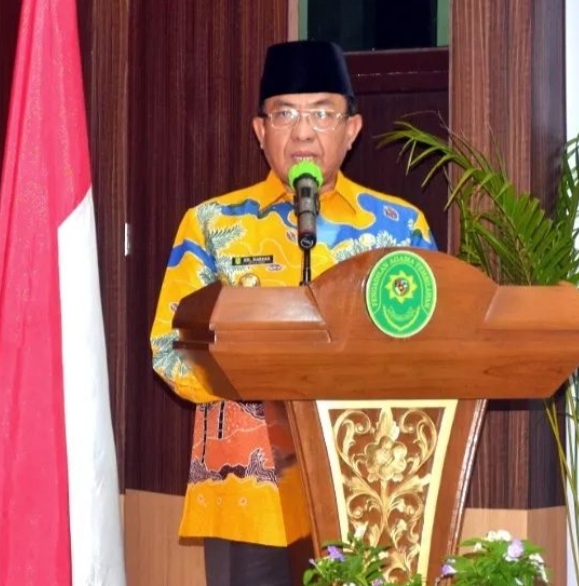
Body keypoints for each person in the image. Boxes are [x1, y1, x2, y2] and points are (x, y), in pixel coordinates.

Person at [149, 40, 437, 586]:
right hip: (246, 496)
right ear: (261, 131)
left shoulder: (400, 228)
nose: (303, 132)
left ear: (352, 130)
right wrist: (256, 377)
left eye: (322, 113)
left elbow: (433, 346)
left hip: (371, 490)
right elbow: (168, 347)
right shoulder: (212, 224)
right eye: (285, 114)